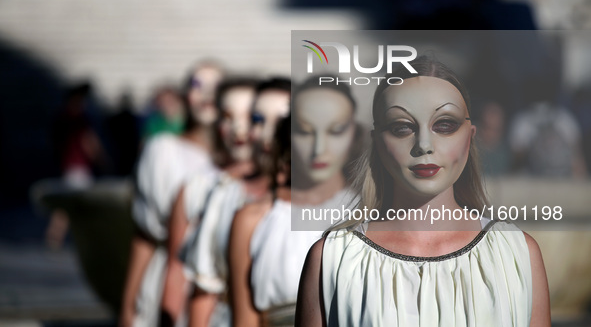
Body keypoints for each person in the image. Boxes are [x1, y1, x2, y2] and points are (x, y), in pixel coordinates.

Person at [295, 58, 551, 327]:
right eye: (402, 127)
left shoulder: (517, 252)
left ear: (470, 136)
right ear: (377, 142)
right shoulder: (333, 258)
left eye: (444, 125)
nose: (424, 145)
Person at [228, 79, 360, 327]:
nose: (319, 147)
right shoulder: (253, 219)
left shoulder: (375, 214)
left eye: (335, 129)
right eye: (306, 130)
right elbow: (245, 320)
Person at [177, 78, 291, 327]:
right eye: (258, 120)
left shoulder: (341, 205)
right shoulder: (223, 195)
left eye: (282, 122)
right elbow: (204, 292)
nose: (268, 134)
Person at [120, 61, 224, 327]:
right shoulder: (162, 150)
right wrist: (127, 308)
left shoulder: (239, 166)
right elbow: (144, 235)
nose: (206, 94)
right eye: (197, 85)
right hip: (164, 281)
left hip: (219, 294)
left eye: (215, 86)